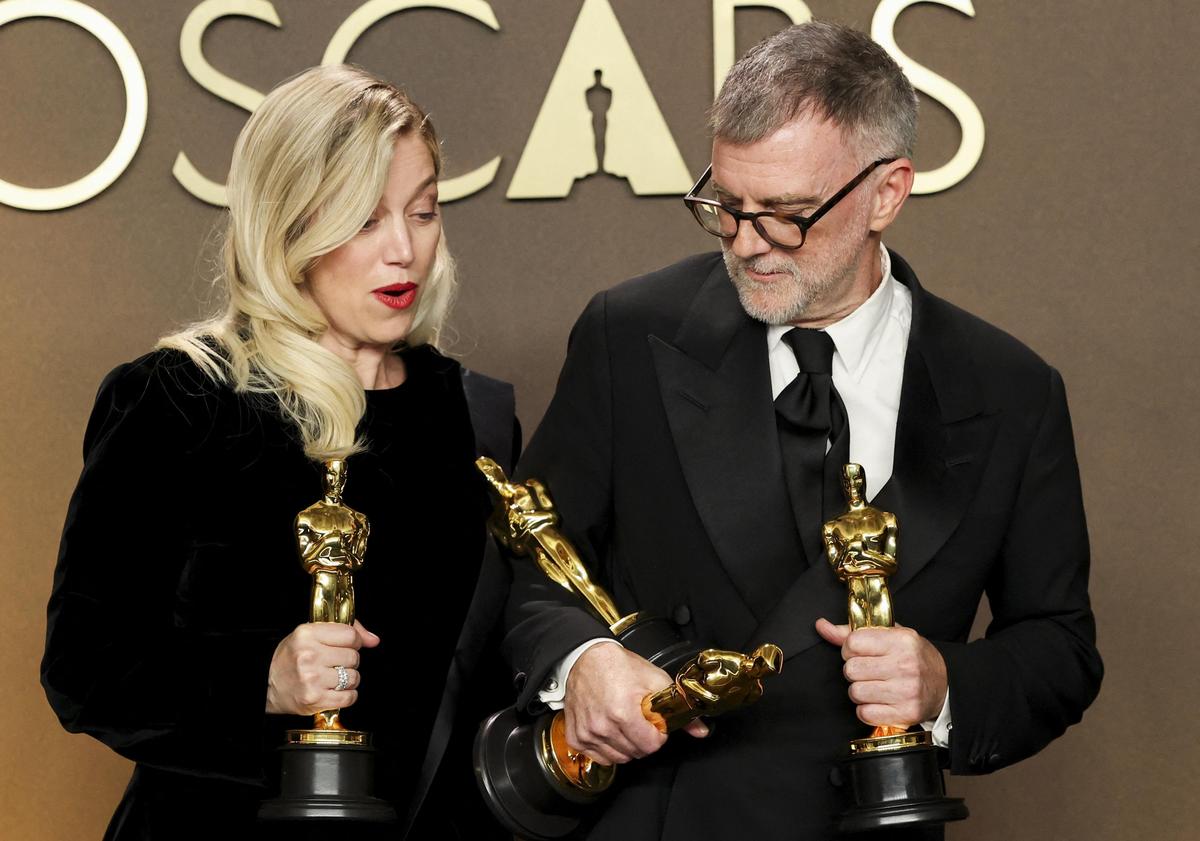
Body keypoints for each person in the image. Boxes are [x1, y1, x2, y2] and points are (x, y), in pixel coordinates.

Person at [501, 22, 1102, 840]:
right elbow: (530, 563)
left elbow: (1060, 647)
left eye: (785, 214)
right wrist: (584, 663)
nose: (747, 245)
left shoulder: (1010, 391)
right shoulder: (629, 335)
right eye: (726, 206)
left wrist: (942, 683)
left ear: (887, 192)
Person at [41, 65, 516, 840]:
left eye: (423, 211)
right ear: (289, 225)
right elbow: (83, 668)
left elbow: (481, 675)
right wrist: (258, 680)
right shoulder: (178, 399)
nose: (403, 249)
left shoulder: (470, 413)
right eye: (363, 219)